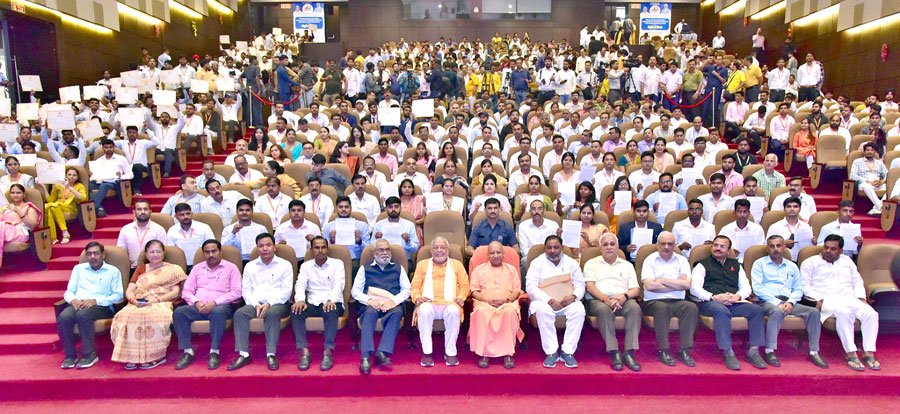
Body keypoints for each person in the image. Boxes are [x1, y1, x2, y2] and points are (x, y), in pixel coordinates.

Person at [801, 234, 880, 371]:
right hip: (827, 300)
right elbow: (804, 285)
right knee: (844, 313)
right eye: (826, 247)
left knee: (871, 314)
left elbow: (857, 281)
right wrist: (817, 299)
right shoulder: (810, 262)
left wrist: (861, 298)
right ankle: (851, 353)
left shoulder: (847, 261)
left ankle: (868, 352)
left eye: (833, 249)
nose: (828, 251)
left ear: (841, 251)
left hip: (850, 298)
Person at [691, 235, 767, 371]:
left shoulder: (736, 265)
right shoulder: (702, 265)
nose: (718, 248)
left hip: (733, 302)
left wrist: (737, 296)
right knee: (722, 311)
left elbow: (746, 287)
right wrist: (713, 297)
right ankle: (728, 352)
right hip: (710, 303)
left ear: (728, 250)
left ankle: (754, 351)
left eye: (722, 246)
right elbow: (694, 288)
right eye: (715, 245)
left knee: (757, 310)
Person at [750, 235, 828, 369]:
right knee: (777, 311)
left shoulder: (792, 266)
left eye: (778, 245)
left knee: (814, 312)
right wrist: (777, 302)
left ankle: (814, 352)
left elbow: (798, 289)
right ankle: (770, 350)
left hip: (789, 301)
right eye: (772, 246)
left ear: (784, 247)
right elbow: (757, 288)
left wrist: (791, 302)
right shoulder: (759, 264)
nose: (775, 249)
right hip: (768, 301)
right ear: (767, 248)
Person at [110, 240, 186, 369]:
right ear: (146, 254)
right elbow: (129, 290)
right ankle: (130, 356)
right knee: (124, 315)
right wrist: (133, 300)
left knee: (154, 315)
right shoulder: (141, 269)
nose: (155, 254)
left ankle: (155, 356)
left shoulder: (173, 269)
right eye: (152, 252)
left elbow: (175, 292)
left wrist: (156, 300)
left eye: (158, 251)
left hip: (161, 301)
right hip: (138, 301)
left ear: (163, 253)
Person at [173, 239, 242, 370]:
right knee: (179, 312)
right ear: (203, 253)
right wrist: (196, 302)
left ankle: (214, 351)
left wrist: (215, 303)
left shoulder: (231, 268)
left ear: (220, 252)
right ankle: (188, 351)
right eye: (207, 252)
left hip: (221, 306)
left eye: (214, 251)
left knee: (218, 312)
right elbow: (186, 291)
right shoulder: (197, 268)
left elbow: (237, 292)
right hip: (198, 306)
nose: (211, 255)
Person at [229, 233, 293, 371]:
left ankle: (271, 354)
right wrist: (256, 304)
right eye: (261, 246)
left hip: (278, 303)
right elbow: (246, 290)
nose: (265, 248)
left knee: (272, 313)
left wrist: (269, 303)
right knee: (240, 313)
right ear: (257, 248)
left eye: (268, 245)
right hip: (255, 303)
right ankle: (244, 354)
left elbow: (286, 291)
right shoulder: (250, 266)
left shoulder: (285, 265)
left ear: (274, 247)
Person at [57, 242, 124, 369]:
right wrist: (73, 300)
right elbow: (69, 291)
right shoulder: (78, 269)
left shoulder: (113, 271)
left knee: (83, 315)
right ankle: (70, 355)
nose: (93, 256)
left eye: (96, 253)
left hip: (102, 306)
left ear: (103, 255)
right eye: (89, 254)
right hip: (79, 303)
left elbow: (118, 296)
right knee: (64, 316)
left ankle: (89, 354)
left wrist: (95, 301)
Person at [584, 233, 642, 371]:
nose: (609, 247)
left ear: (617, 246)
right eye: (605, 245)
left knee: (635, 308)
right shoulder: (591, 263)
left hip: (622, 299)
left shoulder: (627, 265)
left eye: (612, 244)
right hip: (599, 300)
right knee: (603, 310)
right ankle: (614, 351)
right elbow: (590, 287)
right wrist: (606, 299)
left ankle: (629, 352)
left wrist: (624, 296)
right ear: (600, 248)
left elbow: (635, 289)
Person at [351, 238, 410, 374]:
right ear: (374, 253)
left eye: (387, 250)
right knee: (370, 313)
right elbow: (355, 291)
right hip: (371, 304)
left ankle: (381, 352)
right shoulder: (364, 269)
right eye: (381, 250)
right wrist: (369, 300)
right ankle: (365, 356)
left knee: (397, 312)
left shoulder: (398, 268)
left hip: (391, 304)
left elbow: (407, 290)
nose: (385, 253)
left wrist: (393, 301)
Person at [526, 235, 585, 368]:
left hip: (567, 302)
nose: (553, 251)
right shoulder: (537, 263)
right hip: (545, 302)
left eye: (556, 247)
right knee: (542, 310)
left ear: (562, 248)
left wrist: (574, 296)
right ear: (545, 249)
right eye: (549, 248)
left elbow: (580, 284)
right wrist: (549, 300)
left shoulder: (571, 263)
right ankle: (551, 352)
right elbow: (530, 287)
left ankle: (567, 352)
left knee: (579, 310)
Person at [640, 232, 698, 367]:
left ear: (675, 245)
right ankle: (664, 350)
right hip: (653, 302)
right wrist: (676, 284)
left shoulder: (682, 260)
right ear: (657, 245)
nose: (666, 247)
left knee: (691, 307)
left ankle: (685, 350)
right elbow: (649, 286)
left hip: (677, 301)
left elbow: (687, 285)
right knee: (662, 308)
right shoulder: (650, 260)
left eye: (670, 244)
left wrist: (662, 280)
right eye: (663, 244)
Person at [410, 236, 470, 367]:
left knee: (454, 311)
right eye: (435, 248)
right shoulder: (422, 265)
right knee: (424, 311)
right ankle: (427, 352)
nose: (439, 250)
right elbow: (415, 286)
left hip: (450, 303)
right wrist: (417, 297)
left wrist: (461, 297)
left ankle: (450, 352)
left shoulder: (457, 265)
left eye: (442, 247)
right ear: (431, 251)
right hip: (428, 302)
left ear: (448, 250)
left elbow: (465, 286)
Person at [292, 236, 345, 371]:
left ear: (327, 249)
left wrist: (331, 300)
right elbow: (300, 284)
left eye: (323, 247)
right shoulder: (306, 266)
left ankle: (327, 352)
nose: (320, 250)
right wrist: (300, 300)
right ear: (311, 250)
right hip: (313, 302)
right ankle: (304, 352)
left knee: (331, 310)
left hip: (332, 301)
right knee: (296, 310)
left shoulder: (337, 264)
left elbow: (339, 285)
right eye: (316, 247)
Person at [468, 241, 524, 369]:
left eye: (498, 252)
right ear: (488, 255)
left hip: (507, 304)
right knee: (481, 313)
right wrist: (486, 300)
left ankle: (508, 353)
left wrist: (506, 300)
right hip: (484, 303)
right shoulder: (479, 270)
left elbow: (517, 290)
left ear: (503, 255)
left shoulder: (511, 270)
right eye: (492, 253)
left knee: (509, 313)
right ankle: (484, 353)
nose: (495, 255)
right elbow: (474, 291)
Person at [322, 195, 372, 274]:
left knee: (356, 267)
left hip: (355, 259)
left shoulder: (362, 225)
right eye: (340, 207)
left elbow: (369, 249)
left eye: (346, 207)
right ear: (336, 209)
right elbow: (323, 249)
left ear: (351, 208)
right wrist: (331, 241)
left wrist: (359, 241)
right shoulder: (328, 227)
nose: (343, 209)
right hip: (334, 259)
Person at [165, 203, 215, 272]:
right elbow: (171, 252)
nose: (185, 217)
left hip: (203, 264)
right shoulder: (172, 230)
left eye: (188, 214)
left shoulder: (204, 227)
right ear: (176, 216)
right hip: (180, 266)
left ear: (192, 214)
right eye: (181, 215)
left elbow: (212, 246)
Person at [89, 139, 133, 218]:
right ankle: (100, 208)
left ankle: (93, 208)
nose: (109, 149)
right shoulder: (99, 160)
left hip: (114, 182)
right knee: (88, 186)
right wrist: (92, 175)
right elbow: (95, 174)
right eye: (106, 147)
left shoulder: (121, 159)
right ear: (103, 148)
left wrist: (120, 177)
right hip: (100, 180)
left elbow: (130, 174)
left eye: (111, 147)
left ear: (114, 147)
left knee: (104, 186)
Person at [0, 184, 40, 267]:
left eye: (18, 193)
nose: (15, 195)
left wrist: (17, 211)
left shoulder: (29, 208)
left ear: (24, 194)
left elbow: (32, 225)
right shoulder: (5, 208)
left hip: (20, 233)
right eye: (12, 193)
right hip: (5, 231)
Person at [44, 167, 86, 244]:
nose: (71, 177)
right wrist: (44, 187)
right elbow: (50, 200)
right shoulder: (58, 185)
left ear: (77, 177)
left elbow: (82, 198)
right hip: (57, 206)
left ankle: (54, 237)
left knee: (52, 206)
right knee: (52, 207)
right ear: (65, 176)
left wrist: (69, 187)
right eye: (69, 174)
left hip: (71, 207)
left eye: (74, 175)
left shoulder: (80, 186)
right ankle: (64, 233)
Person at [372, 196, 418, 263]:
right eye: (390, 207)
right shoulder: (378, 225)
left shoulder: (409, 225)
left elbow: (415, 249)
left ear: (400, 208)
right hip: (383, 260)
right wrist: (377, 240)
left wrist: (407, 241)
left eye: (396, 207)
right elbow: (371, 247)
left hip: (404, 260)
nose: (393, 209)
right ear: (386, 209)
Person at [274, 200, 320, 264]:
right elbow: (274, 248)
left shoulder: (314, 227)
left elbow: (321, 247)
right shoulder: (281, 228)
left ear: (304, 212)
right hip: (286, 261)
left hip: (309, 261)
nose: (296, 213)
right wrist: (280, 246)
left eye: (299, 210)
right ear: (289, 213)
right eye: (293, 210)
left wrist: (313, 241)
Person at [848, 143, 887, 216]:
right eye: (867, 150)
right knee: (867, 186)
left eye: (872, 150)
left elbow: (887, 175)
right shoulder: (857, 161)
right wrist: (867, 181)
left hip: (877, 184)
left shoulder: (879, 163)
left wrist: (882, 181)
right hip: (864, 183)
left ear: (875, 152)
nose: (869, 152)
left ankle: (875, 209)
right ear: (864, 151)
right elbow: (852, 176)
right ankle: (881, 207)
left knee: (890, 188)